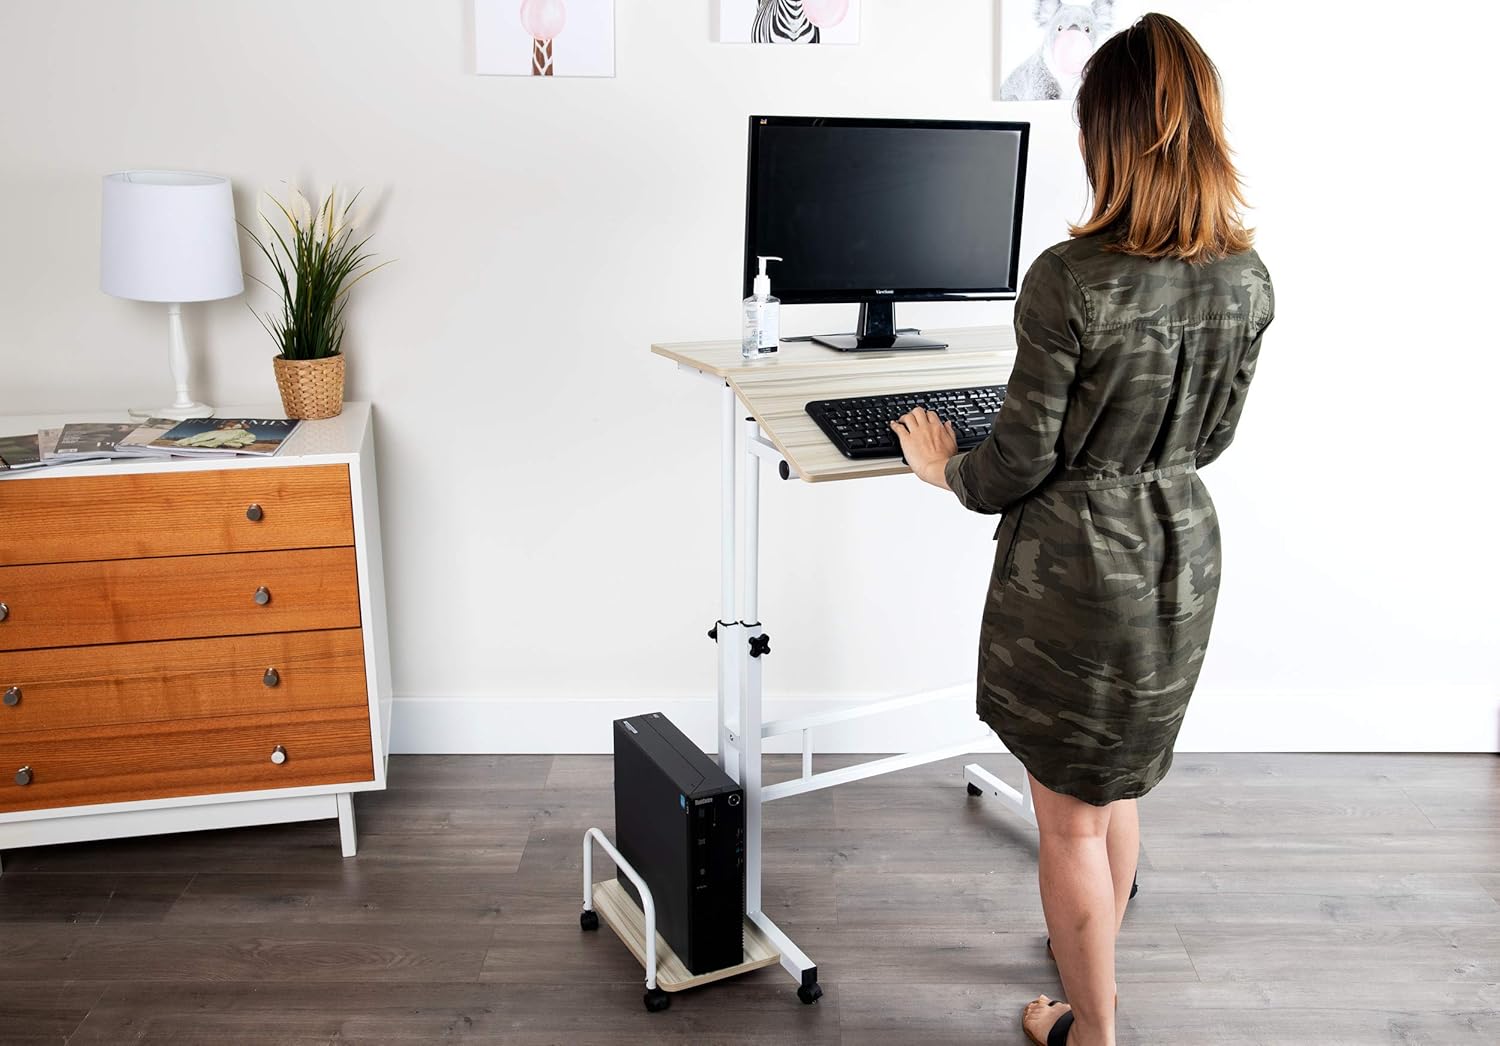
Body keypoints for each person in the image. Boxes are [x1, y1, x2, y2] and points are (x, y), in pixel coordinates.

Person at [892, 14, 1274, 1046]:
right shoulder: (1247, 277)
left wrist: (942, 468)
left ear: (1112, 135)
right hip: (1181, 555)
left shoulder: (1072, 278)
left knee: (1065, 818)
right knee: (1117, 783)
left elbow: (1014, 462)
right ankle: (1096, 957)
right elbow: (1218, 433)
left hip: (1077, 574)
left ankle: (1089, 1029)